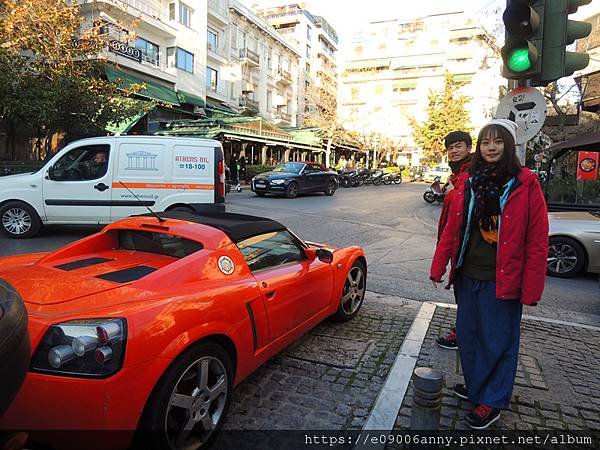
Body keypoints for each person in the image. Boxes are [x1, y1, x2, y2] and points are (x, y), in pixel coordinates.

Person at [430, 119, 548, 429]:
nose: (491, 147)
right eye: (486, 142)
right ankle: (478, 388)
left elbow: (538, 239)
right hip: (468, 274)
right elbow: (455, 229)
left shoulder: (525, 183)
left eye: (498, 142)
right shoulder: (471, 181)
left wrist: (532, 288)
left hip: (503, 278)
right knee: (469, 337)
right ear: (479, 148)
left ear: (508, 146)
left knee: (498, 341)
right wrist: (439, 264)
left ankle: (492, 400)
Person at [435, 131, 473, 350]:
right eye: (450, 148)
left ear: (469, 148)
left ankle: (463, 335)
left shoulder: (472, 174)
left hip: (467, 247)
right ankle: (463, 332)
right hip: (457, 244)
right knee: (463, 294)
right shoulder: (457, 175)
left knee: (467, 295)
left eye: (458, 146)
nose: (454, 151)